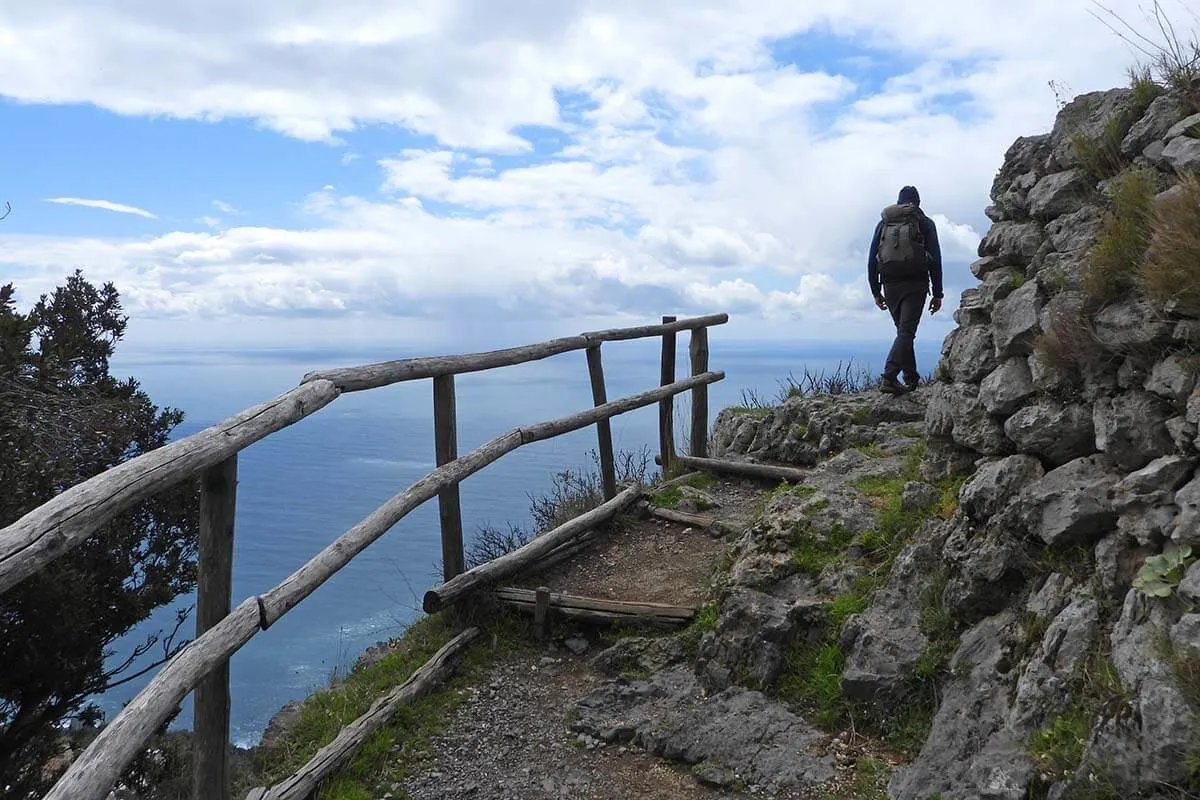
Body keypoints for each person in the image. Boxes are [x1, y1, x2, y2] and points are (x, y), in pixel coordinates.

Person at [866, 185, 943, 395]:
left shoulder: (884, 223)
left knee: (903, 331)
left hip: (889, 285)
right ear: (917, 202)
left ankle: (911, 379)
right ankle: (889, 377)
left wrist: (875, 291)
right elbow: (935, 259)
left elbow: (872, 259)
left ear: (898, 202)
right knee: (907, 332)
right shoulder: (924, 223)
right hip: (915, 284)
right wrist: (938, 293)